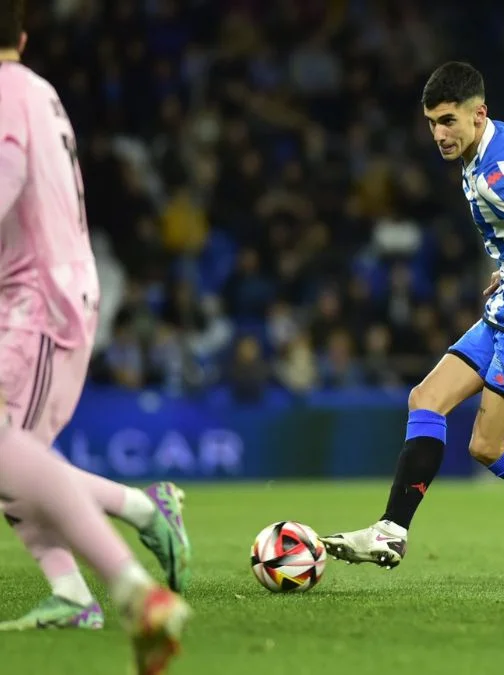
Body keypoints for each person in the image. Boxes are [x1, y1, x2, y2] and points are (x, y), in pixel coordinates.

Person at [320, 62, 504, 590]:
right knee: (425, 399)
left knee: (486, 446)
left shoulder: (496, 174)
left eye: (449, 121)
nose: (439, 133)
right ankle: (391, 530)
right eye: (432, 121)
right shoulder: (491, 143)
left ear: (478, 114)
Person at [0, 3, 189, 671]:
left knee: (6, 452)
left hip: (37, 299)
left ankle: (130, 584)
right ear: (20, 35)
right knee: (16, 459)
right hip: (39, 290)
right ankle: (102, 559)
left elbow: (9, 179)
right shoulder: (38, 89)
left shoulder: (5, 94)